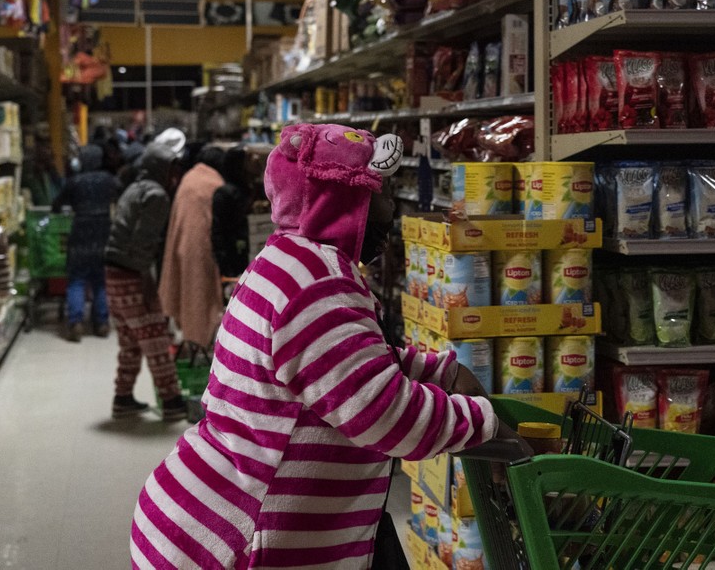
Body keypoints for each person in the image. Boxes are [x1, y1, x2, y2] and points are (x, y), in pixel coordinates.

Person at [130, 124, 507, 568]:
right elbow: (381, 412)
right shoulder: (317, 283)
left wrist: (438, 372)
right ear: (343, 199)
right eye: (380, 194)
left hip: (207, 514)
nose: (390, 211)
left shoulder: (290, 258)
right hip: (235, 542)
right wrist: (487, 426)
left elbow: (345, 365)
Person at [104, 141, 187, 421]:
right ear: (160, 169)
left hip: (113, 272)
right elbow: (143, 243)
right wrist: (148, 283)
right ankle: (173, 401)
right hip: (132, 273)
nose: (174, 176)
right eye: (171, 169)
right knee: (155, 339)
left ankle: (123, 397)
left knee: (130, 342)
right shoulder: (156, 195)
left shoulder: (133, 188)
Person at [158, 146, 226, 350]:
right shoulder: (212, 183)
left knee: (186, 293)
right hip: (199, 250)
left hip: (182, 245)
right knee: (199, 295)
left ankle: (191, 340)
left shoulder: (189, 179)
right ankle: (199, 341)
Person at [51, 143, 120, 342]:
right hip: (103, 232)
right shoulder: (109, 180)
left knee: (76, 279)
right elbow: (120, 195)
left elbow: (57, 204)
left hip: (80, 232)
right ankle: (102, 323)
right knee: (100, 280)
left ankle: (76, 323)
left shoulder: (75, 182)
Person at [211, 144, 252, 279]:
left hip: (243, 249)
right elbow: (218, 231)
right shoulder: (225, 193)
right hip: (231, 254)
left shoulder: (243, 189)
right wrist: (225, 267)